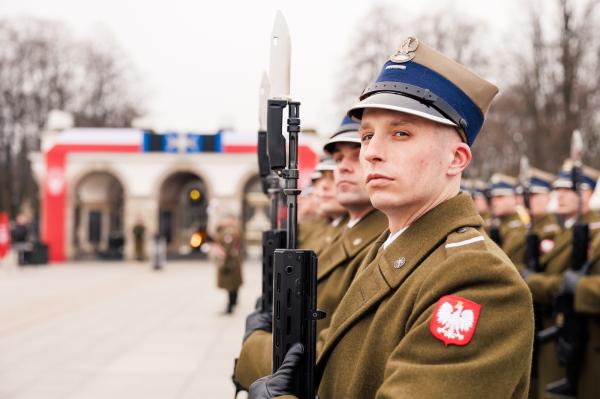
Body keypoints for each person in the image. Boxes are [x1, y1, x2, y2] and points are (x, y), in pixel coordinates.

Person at [247, 37, 534, 399]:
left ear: (457, 159)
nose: (372, 153)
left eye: (400, 133)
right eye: (367, 136)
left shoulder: (479, 281)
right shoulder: (390, 251)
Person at [234, 116, 388, 389]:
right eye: (338, 159)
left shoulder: (378, 242)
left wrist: (255, 344)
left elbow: (334, 350)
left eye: (356, 155)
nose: (342, 169)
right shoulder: (344, 233)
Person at [525, 161, 600, 399]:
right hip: (561, 328)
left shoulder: (591, 231)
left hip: (579, 331)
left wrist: (532, 281)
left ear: (588, 193)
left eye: (570, 189)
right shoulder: (571, 230)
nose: (561, 195)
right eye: (559, 189)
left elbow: (563, 280)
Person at [488, 173, 528, 263]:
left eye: (500, 197)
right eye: (493, 197)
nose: (494, 201)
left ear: (516, 198)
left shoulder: (518, 230)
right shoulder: (496, 224)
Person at [212, 216, 244, 314]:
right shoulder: (228, 230)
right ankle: (232, 303)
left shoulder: (229, 232)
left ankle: (230, 305)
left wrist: (224, 258)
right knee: (233, 285)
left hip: (229, 263)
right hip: (232, 261)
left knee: (231, 285)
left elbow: (228, 247)